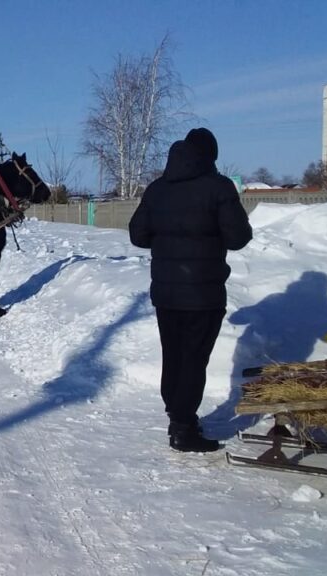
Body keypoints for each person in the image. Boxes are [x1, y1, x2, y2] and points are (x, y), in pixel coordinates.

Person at [129, 127, 253, 453]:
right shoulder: (219, 188)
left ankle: (177, 415)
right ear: (210, 156)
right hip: (204, 294)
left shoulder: (157, 189)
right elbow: (239, 238)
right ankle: (183, 429)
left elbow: (138, 235)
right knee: (193, 360)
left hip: (166, 293)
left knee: (174, 356)